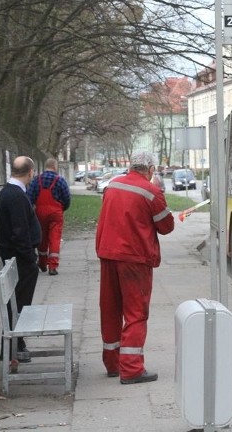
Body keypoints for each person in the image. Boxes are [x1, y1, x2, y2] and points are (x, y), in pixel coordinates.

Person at [95, 151, 175, 384]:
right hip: (134, 258)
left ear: (131, 167)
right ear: (150, 170)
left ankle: (112, 363)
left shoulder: (112, 185)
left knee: (110, 309)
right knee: (136, 312)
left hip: (107, 253)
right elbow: (166, 227)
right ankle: (131, 369)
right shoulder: (151, 192)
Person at [0, 155, 42, 364]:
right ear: (30, 172)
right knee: (20, 303)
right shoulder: (15, 195)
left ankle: (16, 343)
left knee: (18, 302)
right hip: (19, 258)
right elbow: (19, 230)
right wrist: (29, 258)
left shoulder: (10, 192)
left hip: (15, 256)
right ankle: (13, 345)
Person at [28, 158, 71, 276]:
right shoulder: (60, 180)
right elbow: (67, 198)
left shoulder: (36, 180)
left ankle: (42, 263)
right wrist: (62, 209)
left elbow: (29, 197)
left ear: (45, 166)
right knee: (55, 238)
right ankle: (53, 266)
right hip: (56, 213)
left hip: (40, 213)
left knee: (42, 238)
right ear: (55, 167)